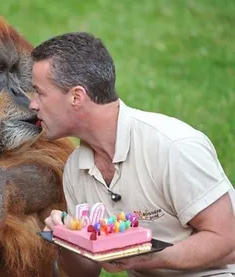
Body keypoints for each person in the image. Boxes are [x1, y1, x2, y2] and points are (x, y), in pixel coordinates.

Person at [29, 32, 235, 277]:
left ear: (76, 96)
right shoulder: (76, 168)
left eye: (40, 93)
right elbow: (86, 272)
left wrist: (149, 258)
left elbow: (227, 240)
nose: (32, 104)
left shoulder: (173, 146)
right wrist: (66, 240)